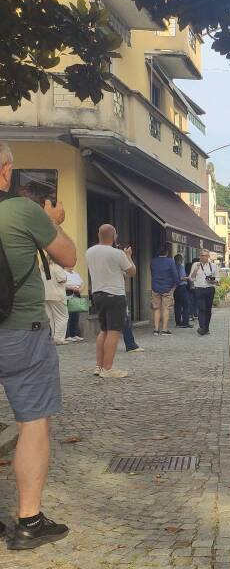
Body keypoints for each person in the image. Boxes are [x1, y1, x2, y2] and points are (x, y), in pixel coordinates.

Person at [0, 140, 77, 548]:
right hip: (18, 330)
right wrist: (55, 221)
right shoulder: (21, 210)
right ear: (6, 171)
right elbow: (68, 257)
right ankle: (28, 520)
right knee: (32, 422)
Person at [86, 224, 137, 378]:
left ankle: (99, 366)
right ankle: (108, 368)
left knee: (104, 330)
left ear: (98, 235)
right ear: (114, 237)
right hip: (115, 294)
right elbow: (132, 271)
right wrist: (128, 256)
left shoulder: (89, 252)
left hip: (97, 293)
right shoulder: (117, 253)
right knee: (113, 331)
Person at [189, 249, 220, 335]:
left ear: (208, 257)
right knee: (201, 308)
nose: (203, 257)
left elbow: (218, 278)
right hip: (199, 289)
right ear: (200, 256)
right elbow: (191, 278)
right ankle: (202, 327)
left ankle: (206, 328)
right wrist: (196, 269)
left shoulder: (213, 266)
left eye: (205, 256)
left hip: (210, 289)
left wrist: (213, 281)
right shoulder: (195, 264)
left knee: (208, 310)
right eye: (202, 256)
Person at [150, 243, 178, 336]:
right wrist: (175, 285)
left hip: (155, 287)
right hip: (167, 288)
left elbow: (152, 272)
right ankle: (165, 329)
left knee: (156, 308)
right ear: (167, 252)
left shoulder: (153, 261)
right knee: (166, 308)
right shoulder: (170, 261)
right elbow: (175, 275)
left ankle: (156, 329)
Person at [42, 255, 68, 345]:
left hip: (46, 295)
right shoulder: (57, 267)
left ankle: (51, 336)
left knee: (50, 318)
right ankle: (59, 338)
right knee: (62, 317)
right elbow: (62, 280)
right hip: (57, 295)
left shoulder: (42, 268)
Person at [64, 267, 85, 342]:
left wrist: (80, 289)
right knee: (68, 316)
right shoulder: (63, 273)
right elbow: (62, 285)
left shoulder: (76, 274)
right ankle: (67, 335)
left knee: (75, 315)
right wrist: (72, 288)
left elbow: (82, 283)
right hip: (68, 294)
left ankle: (74, 334)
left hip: (77, 294)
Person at [172, 254, 192, 328]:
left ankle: (178, 322)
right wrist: (188, 278)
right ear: (180, 260)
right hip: (182, 287)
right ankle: (185, 322)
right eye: (182, 259)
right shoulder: (181, 267)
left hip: (175, 289)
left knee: (177, 305)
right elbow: (181, 278)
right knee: (186, 305)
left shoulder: (173, 267)